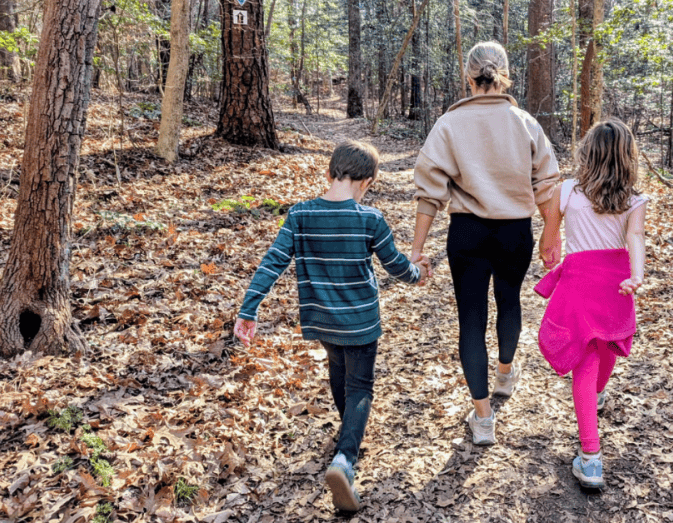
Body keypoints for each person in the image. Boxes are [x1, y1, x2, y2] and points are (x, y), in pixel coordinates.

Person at [232, 141, 429, 512]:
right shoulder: (370, 219)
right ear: (368, 181)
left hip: (321, 320)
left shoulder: (300, 215)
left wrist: (249, 309)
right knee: (360, 385)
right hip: (361, 322)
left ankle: (347, 435)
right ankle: (345, 460)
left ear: (330, 173)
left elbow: (272, 262)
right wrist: (419, 274)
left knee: (338, 370)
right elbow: (397, 266)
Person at [411, 41, 561, 446]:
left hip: (467, 234)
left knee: (471, 322)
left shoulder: (448, 125)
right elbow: (548, 186)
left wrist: (416, 248)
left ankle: (483, 419)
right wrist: (552, 235)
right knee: (510, 301)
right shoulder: (525, 122)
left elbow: (429, 193)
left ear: (468, 76)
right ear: (504, 73)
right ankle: (506, 373)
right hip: (515, 233)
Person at [533, 119, 647, 490]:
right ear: (627, 157)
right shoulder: (634, 199)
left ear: (588, 154)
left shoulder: (567, 191)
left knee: (587, 359)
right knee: (606, 345)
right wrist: (637, 275)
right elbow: (636, 237)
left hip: (580, 282)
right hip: (615, 281)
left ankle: (592, 458)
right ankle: (596, 398)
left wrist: (549, 255)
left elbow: (550, 239)